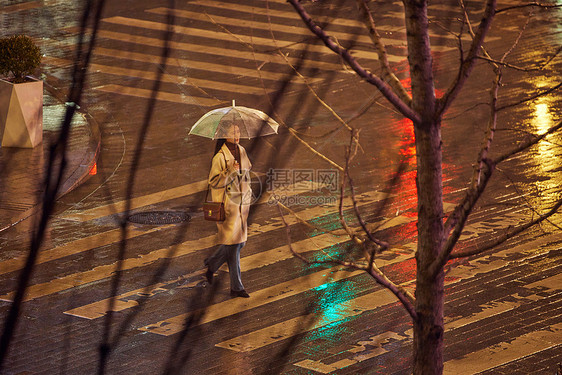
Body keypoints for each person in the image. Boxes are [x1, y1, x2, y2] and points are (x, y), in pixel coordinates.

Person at [204, 124, 253, 298]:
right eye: (233, 132)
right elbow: (214, 181)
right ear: (224, 135)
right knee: (233, 247)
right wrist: (229, 171)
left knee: (240, 243)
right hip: (228, 207)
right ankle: (237, 287)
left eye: (238, 131)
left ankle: (212, 263)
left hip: (241, 204)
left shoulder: (242, 150)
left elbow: (247, 172)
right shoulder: (219, 157)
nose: (237, 135)